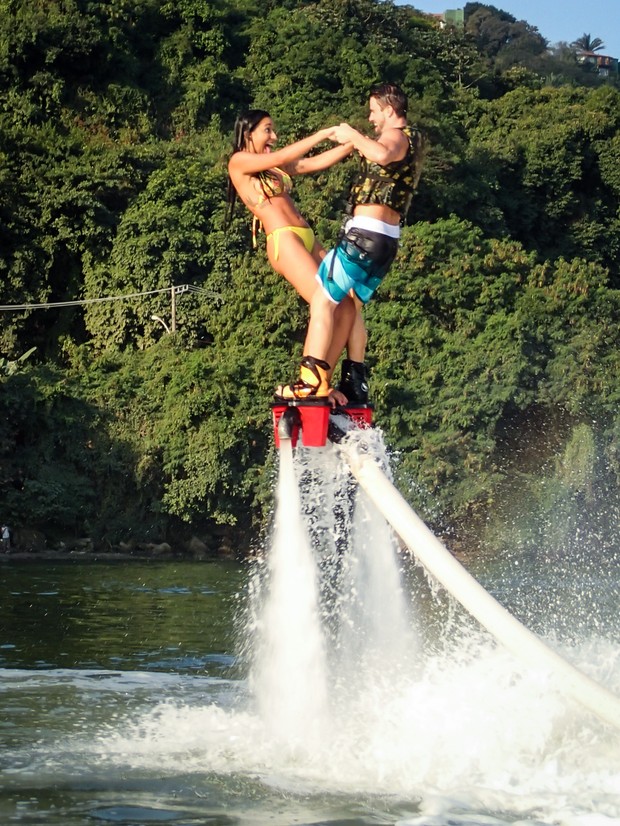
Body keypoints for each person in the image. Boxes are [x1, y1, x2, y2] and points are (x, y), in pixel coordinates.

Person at [275, 83, 425, 402]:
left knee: (322, 299)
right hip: (386, 243)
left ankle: (310, 379)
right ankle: (355, 381)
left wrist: (354, 135)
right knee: (351, 306)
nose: (370, 117)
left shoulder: (396, 136)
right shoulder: (411, 140)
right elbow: (310, 164)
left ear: (388, 109)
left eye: (373, 111)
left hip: (364, 236)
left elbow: (383, 153)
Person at [226, 110, 359, 394]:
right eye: (267, 130)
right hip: (284, 239)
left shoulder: (275, 169)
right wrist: (323, 133)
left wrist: (355, 143)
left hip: (307, 237)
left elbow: (313, 163)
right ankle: (307, 381)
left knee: (346, 305)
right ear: (249, 133)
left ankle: (322, 381)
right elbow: (278, 156)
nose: (273, 136)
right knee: (324, 300)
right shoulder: (239, 161)